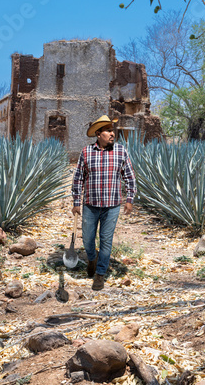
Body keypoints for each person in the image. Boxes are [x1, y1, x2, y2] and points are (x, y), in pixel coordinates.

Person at [72, 115, 137, 291]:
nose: (112, 134)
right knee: (87, 239)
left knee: (106, 240)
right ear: (99, 133)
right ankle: (92, 259)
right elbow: (78, 178)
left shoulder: (121, 151)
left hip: (112, 205)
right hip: (90, 205)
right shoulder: (86, 152)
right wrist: (76, 201)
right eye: (108, 131)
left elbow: (129, 177)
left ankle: (100, 274)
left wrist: (129, 200)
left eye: (112, 131)